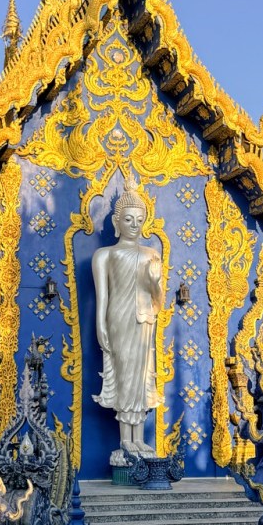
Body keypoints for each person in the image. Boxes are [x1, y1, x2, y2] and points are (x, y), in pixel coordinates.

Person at [92, 176, 164, 455]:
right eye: (128, 220)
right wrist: (100, 326)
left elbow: (158, 302)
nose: (134, 225)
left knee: (143, 376)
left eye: (139, 219)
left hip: (145, 320)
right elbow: (103, 297)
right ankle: (125, 440)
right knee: (124, 376)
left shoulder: (150, 253)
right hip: (118, 319)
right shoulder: (104, 255)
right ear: (116, 222)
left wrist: (156, 282)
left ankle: (139, 438)